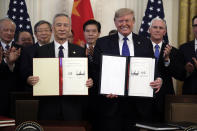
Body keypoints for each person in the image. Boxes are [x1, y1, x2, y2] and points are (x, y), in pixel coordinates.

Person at [92, 8, 162, 131]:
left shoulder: (145, 42)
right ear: (115, 22)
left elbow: (153, 68)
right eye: (120, 21)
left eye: (127, 20)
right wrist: (105, 88)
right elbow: (95, 71)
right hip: (111, 105)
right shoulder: (102, 43)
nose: (124, 24)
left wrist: (158, 79)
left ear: (133, 21)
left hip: (138, 105)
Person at [29, 13, 93, 121]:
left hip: (73, 106)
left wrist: (90, 81)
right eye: (59, 25)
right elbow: (33, 73)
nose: (62, 28)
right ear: (53, 28)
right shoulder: (41, 50)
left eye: (65, 25)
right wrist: (30, 79)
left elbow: (88, 74)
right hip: (48, 106)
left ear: (70, 28)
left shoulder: (80, 51)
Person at [148, 17, 184, 122]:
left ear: (165, 31)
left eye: (160, 28)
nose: (157, 30)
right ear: (149, 30)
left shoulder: (174, 51)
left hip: (164, 98)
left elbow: (180, 75)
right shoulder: (141, 48)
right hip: (144, 97)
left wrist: (167, 60)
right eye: (154, 27)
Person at [20, 20, 52, 90]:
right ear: (35, 33)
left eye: (46, 30)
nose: (43, 33)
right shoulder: (27, 51)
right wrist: (28, 79)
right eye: (40, 31)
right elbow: (23, 71)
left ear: (51, 32)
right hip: (34, 89)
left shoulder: (57, 49)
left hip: (53, 88)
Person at [0, 18, 21, 117]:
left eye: (11, 30)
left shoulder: (21, 49)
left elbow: (23, 73)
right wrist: (5, 61)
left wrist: (11, 64)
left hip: (15, 96)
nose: (9, 33)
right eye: (5, 30)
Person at [179, 15, 197, 94]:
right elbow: (179, 75)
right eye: (196, 26)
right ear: (193, 28)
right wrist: (187, 72)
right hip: (189, 96)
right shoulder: (184, 48)